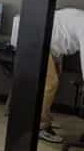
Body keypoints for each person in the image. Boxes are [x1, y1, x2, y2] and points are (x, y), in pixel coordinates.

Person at [12, 8, 84, 143]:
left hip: (46, 41)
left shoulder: (80, 18)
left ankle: (39, 120)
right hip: (32, 37)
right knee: (49, 84)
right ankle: (39, 127)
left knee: (51, 80)